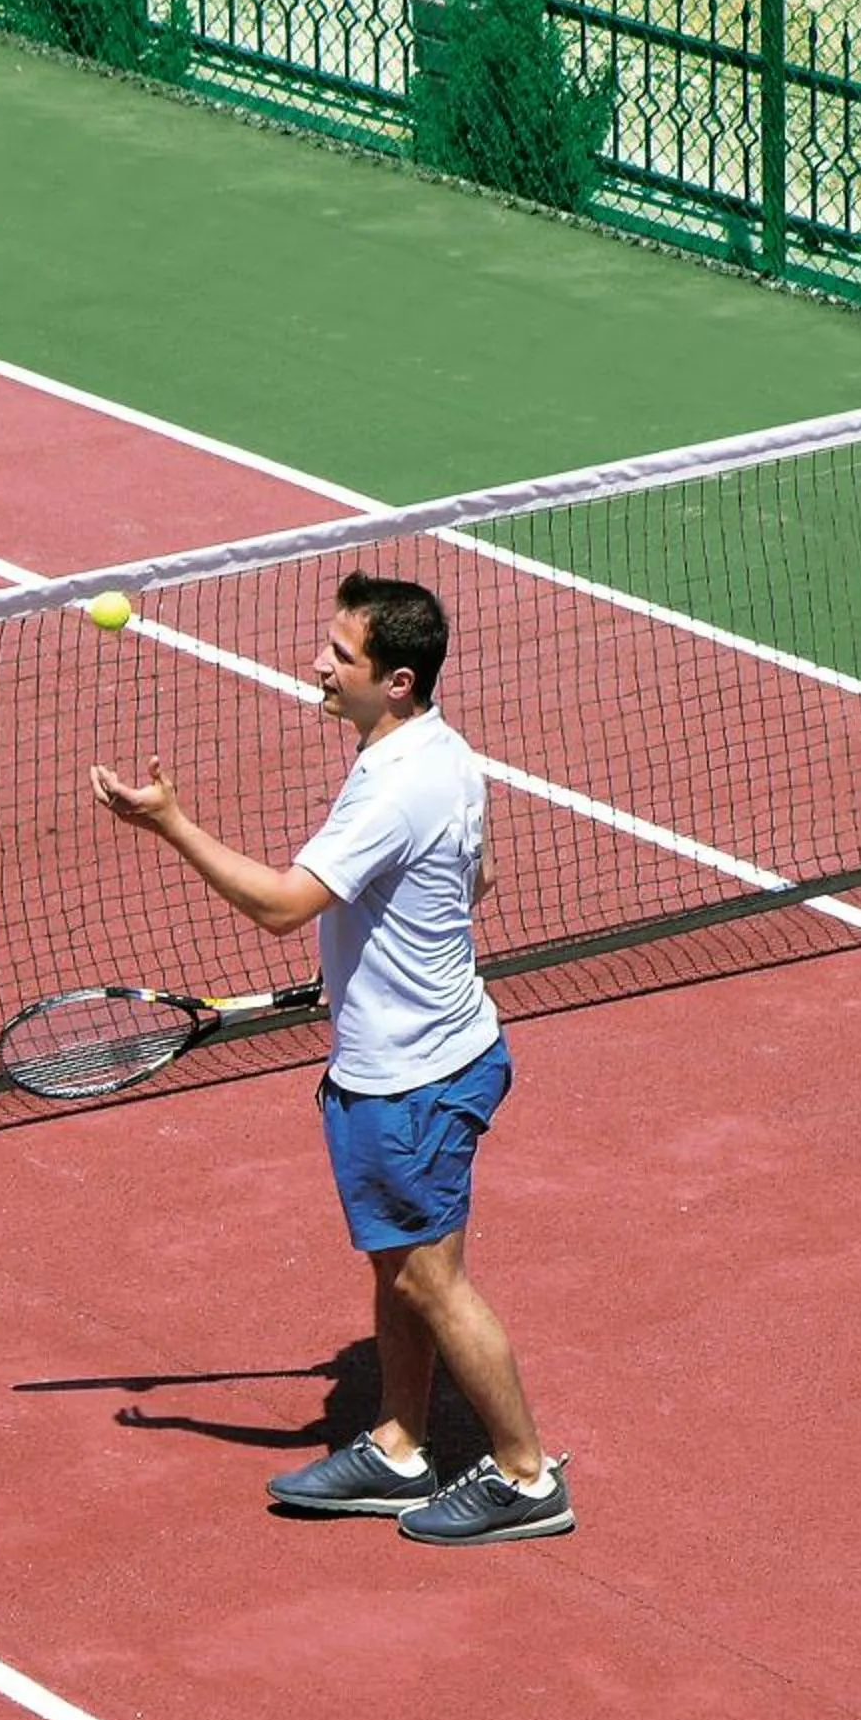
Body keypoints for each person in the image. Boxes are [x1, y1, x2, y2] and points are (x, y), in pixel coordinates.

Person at [91, 572, 571, 1545]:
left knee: (432, 1279)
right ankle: (398, 1447)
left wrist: (169, 824)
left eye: (339, 656)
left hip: (413, 1080)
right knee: (400, 1269)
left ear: (395, 680)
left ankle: (525, 1476)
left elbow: (278, 905)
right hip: (416, 1055)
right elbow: (475, 881)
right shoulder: (440, 753)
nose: (318, 664)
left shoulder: (395, 786)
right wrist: (373, 963)